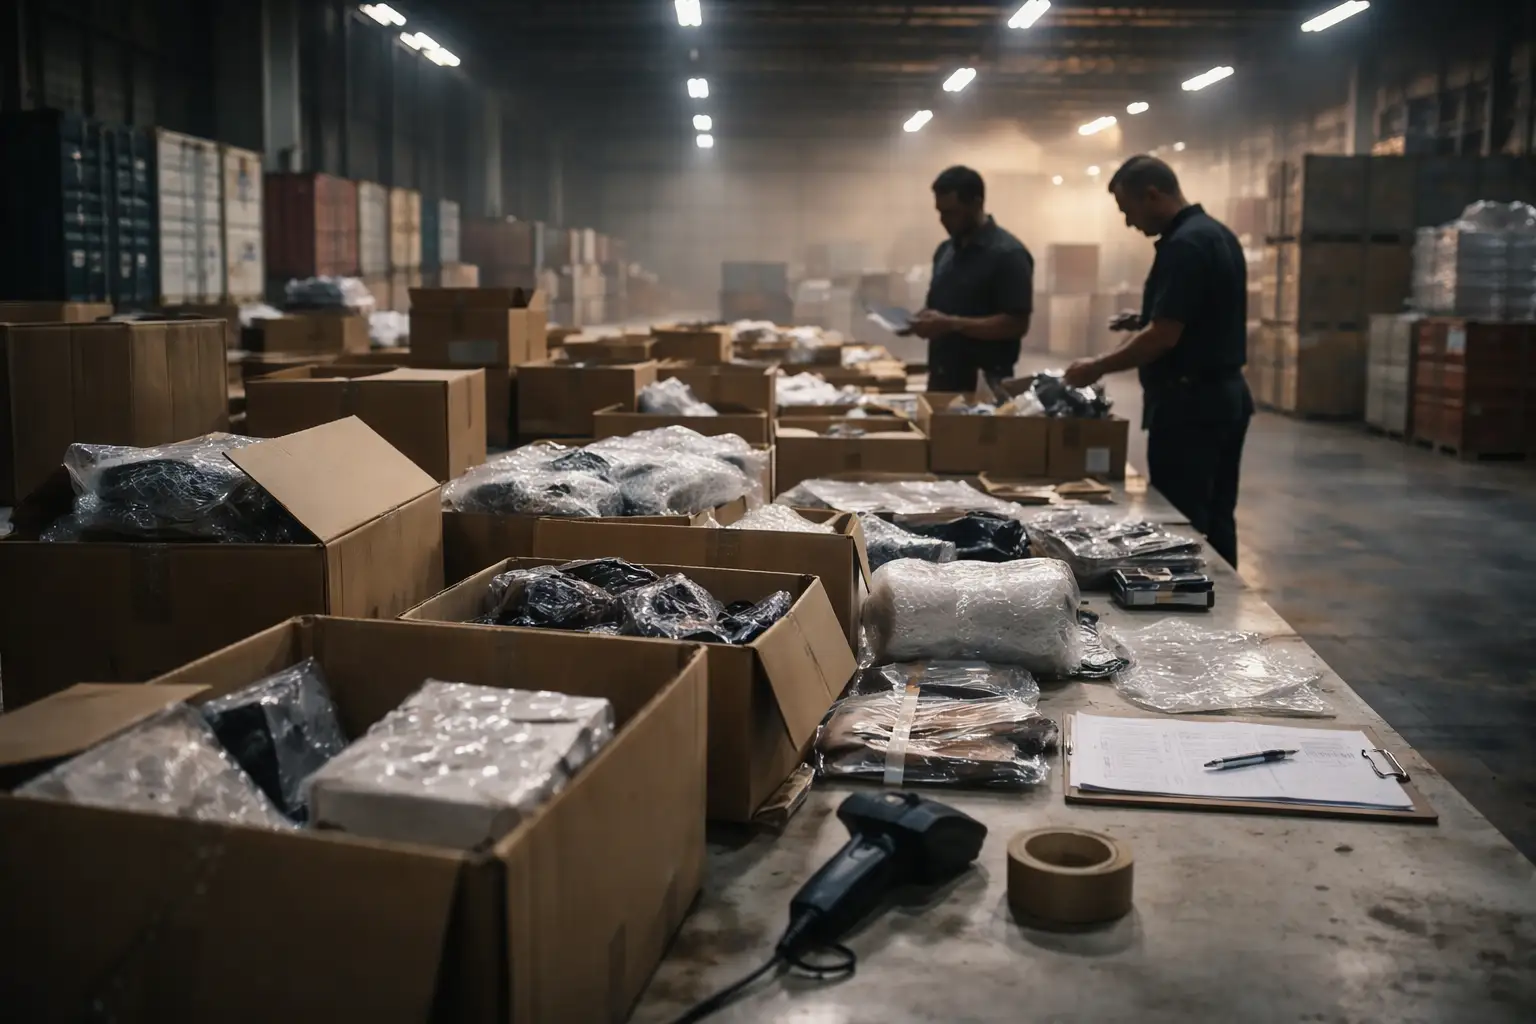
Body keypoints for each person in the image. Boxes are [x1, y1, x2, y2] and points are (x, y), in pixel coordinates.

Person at [1062, 154, 1253, 568]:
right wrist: (1146, 316)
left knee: (1183, 521)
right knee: (1218, 517)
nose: (1130, 223)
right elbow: (1199, 314)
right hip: (1225, 398)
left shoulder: (1184, 245)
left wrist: (1096, 366)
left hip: (1190, 408)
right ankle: (1227, 604)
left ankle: (1190, 613)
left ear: (1152, 194)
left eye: (1128, 210)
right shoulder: (1217, 234)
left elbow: (1163, 337)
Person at [907, 166, 1036, 392]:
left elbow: (1016, 323)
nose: (943, 220)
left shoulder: (1008, 255)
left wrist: (952, 324)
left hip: (984, 384)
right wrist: (922, 320)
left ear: (976, 204)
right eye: (940, 212)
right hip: (942, 378)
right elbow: (939, 307)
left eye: (951, 212)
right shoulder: (945, 252)